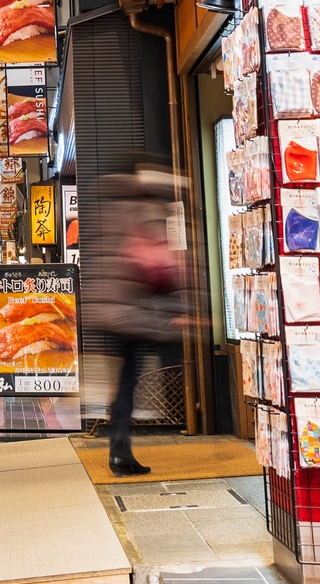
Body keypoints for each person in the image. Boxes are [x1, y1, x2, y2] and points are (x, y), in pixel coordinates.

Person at [91, 167, 186, 476]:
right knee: (128, 383)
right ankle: (120, 450)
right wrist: (176, 306)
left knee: (122, 383)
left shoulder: (110, 212)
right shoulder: (146, 214)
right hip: (135, 313)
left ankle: (120, 448)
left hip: (111, 312)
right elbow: (158, 266)